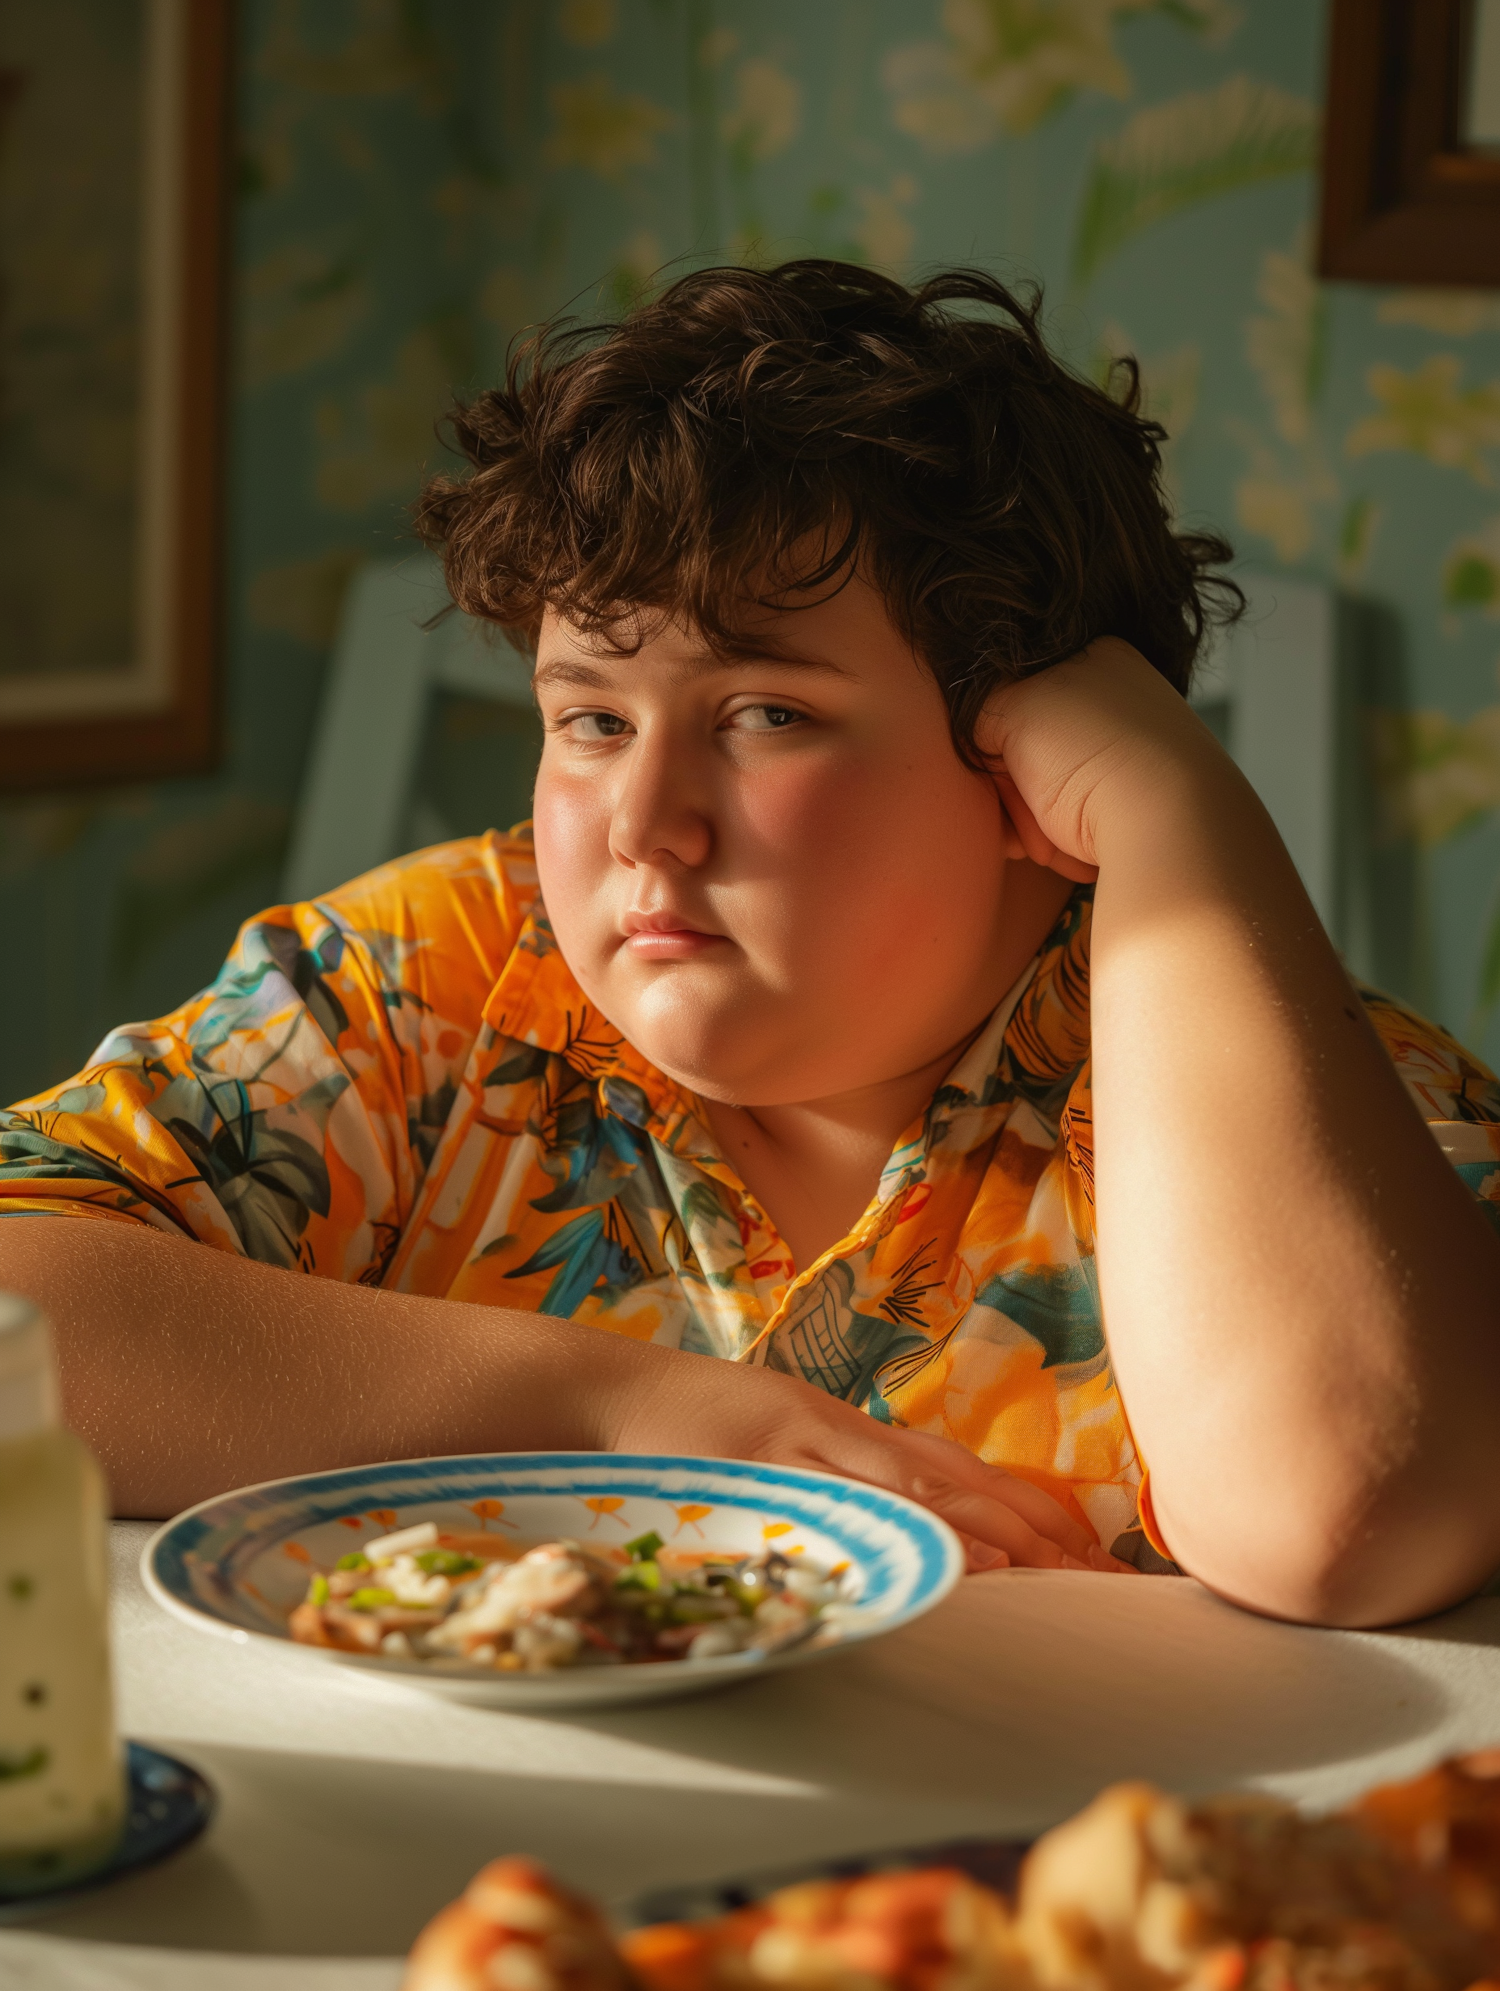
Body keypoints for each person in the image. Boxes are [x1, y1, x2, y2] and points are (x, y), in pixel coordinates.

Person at [4, 261, 1498, 1629]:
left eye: (765, 714)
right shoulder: (437, 982)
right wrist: (614, 1407)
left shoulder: (1295, 1089)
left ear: (1029, 761)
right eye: (592, 717)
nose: (646, 822)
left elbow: (1348, 1517)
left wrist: (1181, 818)